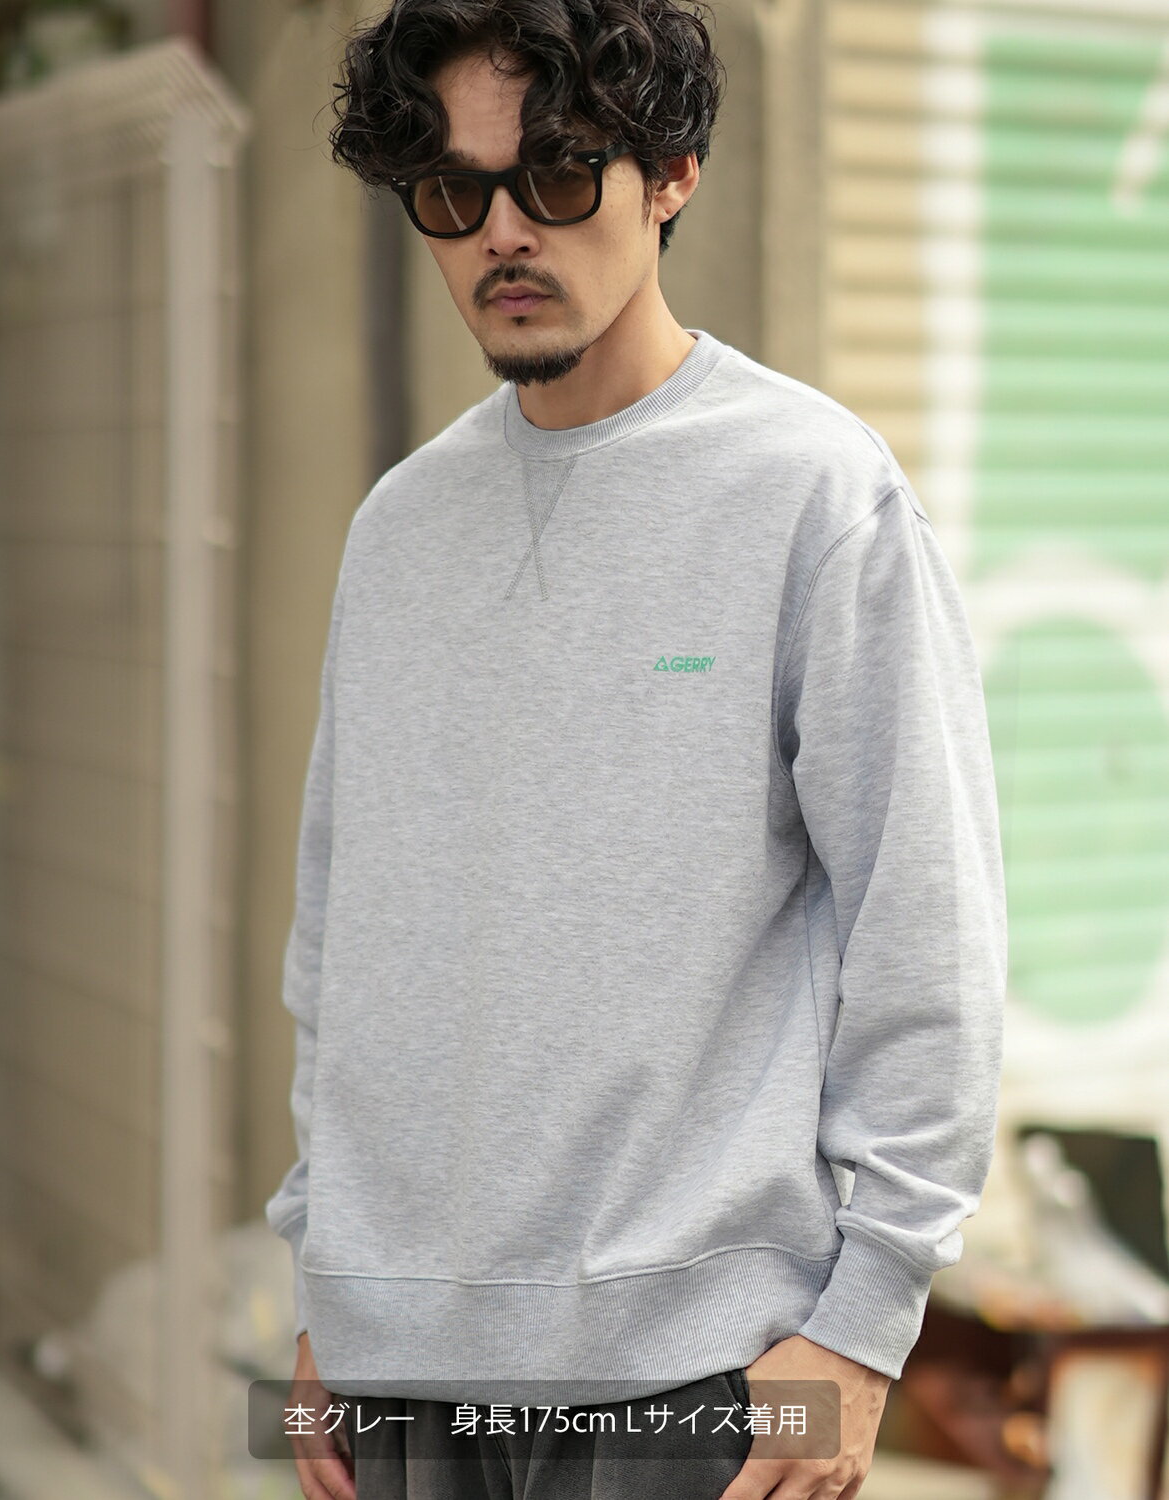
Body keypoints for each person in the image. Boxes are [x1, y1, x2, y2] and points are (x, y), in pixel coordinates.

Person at [264, 2, 1008, 1497]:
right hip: (399, 1376)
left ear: (669, 174)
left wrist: (863, 1330)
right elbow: (346, 945)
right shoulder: (398, 531)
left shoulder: (812, 492)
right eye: (451, 192)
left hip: (705, 1384)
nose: (502, 233)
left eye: (554, 175)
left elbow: (923, 927)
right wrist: (331, 1291)